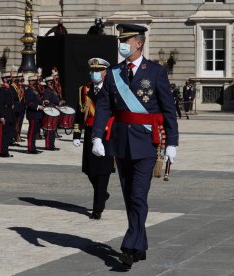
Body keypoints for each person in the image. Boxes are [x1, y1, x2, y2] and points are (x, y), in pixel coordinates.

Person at [92, 24, 178, 268]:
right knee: (131, 196)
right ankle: (140, 245)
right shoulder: (114, 72)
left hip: (146, 143)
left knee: (139, 195)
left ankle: (129, 247)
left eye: (126, 40)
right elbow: (104, 106)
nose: (122, 44)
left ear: (139, 43)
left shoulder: (155, 72)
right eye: (121, 40)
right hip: (120, 142)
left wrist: (172, 142)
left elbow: (168, 110)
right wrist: (97, 136)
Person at [73, 57, 114, 220]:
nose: (94, 74)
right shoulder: (84, 89)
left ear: (105, 72)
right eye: (92, 71)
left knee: (103, 171)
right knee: (89, 170)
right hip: (90, 132)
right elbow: (79, 113)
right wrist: (76, 134)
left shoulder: (112, 88)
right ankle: (102, 193)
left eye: (98, 71)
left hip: (107, 133)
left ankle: (97, 208)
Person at [42, 76, 64, 150]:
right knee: (49, 130)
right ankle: (48, 146)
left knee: (53, 130)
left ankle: (52, 145)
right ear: (46, 83)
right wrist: (55, 106)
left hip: (54, 112)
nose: (50, 83)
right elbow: (47, 103)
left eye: (51, 81)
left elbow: (54, 100)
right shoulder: (47, 91)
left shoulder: (53, 91)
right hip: (50, 112)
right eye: (48, 82)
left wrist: (60, 103)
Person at [0, 72, 15, 157]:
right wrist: (1, 116)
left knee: (7, 133)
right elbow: (0, 104)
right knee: (2, 134)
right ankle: (1, 151)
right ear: (4, 79)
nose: (10, 79)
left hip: (9, 112)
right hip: (4, 113)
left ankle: (6, 151)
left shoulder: (10, 88)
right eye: (8, 77)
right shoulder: (1, 89)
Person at [24, 75, 45, 154]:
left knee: (35, 132)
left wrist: (42, 103)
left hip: (37, 114)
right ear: (30, 82)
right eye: (34, 81)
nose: (35, 83)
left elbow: (36, 100)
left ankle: (33, 147)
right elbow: (28, 103)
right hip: (32, 114)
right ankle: (30, 149)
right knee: (32, 132)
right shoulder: (29, 90)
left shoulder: (35, 90)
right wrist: (38, 107)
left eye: (36, 81)